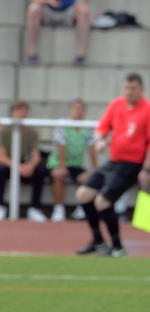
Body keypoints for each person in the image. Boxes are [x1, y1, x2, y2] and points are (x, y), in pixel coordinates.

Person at [75, 73, 150, 257]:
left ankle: (117, 246)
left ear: (141, 89)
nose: (129, 92)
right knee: (83, 195)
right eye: (127, 88)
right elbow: (102, 127)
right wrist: (100, 139)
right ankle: (98, 241)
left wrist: (146, 170)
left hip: (132, 164)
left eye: (133, 88)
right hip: (113, 162)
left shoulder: (147, 110)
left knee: (102, 201)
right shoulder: (116, 104)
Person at [0, 100, 48, 222]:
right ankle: (0, 206)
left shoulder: (32, 132)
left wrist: (30, 166)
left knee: (41, 169)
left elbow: (36, 155)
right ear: (12, 113)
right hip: (9, 163)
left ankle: (35, 208)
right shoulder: (3, 131)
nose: (22, 113)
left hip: (25, 164)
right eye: (18, 110)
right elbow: (1, 156)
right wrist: (17, 167)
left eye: (24, 110)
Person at [47, 99, 97, 221]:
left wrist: (95, 169)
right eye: (75, 108)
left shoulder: (87, 127)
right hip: (58, 163)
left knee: (88, 178)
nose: (78, 112)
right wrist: (62, 167)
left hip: (76, 165)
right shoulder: (62, 124)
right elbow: (61, 147)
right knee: (58, 176)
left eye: (81, 109)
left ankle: (82, 209)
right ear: (70, 110)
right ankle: (59, 209)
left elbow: (92, 150)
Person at [25, 0, 91, 65]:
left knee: (84, 10)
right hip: (47, 11)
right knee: (33, 8)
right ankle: (32, 54)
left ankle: (81, 55)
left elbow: (85, 2)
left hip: (70, 11)